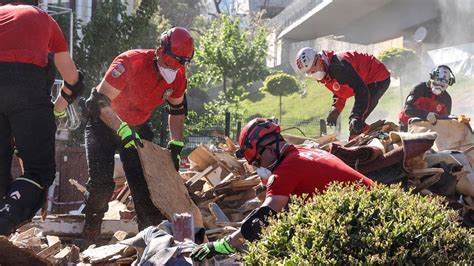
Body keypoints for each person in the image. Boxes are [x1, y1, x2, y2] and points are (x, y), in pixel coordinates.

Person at [191, 118, 374, 261]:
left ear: (269, 149)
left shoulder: (286, 169)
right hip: (378, 209)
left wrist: (223, 245)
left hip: (368, 225)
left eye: (256, 162)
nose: (258, 168)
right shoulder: (308, 153)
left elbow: (262, 219)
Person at [81, 27, 193, 242]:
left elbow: (177, 110)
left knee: (144, 185)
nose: (176, 67)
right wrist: (122, 130)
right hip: (103, 124)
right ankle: (91, 231)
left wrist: (176, 143)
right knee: (101, 183)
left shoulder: (178, 75)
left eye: (182, 63)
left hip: (138, 125)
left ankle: (149, 237)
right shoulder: (130, 62)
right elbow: (99, 103)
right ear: (161, 50)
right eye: (173, 62)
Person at [0, 0, 83, 235]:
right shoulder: (44, 19)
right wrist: (57, 108)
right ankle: (5, 223)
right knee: (38, 172)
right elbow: (73, 80)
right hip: (28, 91)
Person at [295, 48, 391, 139]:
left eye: (312, 70)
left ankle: (373, 139)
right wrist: (335, 110)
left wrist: (356, 115)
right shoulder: (325, 70)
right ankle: (366, 136)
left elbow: (361, 90)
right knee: (355, 124)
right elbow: (341, 90)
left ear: (319, 60)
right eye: (309, 73)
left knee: (356, 123)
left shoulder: (338, 67)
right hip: (364, 81)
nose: (312, 74)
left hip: (377, 78)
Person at [399, 65, 455, 131]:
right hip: (409, 125)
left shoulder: (446, 99)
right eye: (436, 83)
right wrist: (425, 115)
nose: (438, 87)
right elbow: (408, 109)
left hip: (430, 129)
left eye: (442, 86)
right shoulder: (419, 89)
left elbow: (445, 120)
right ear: (432, 78)